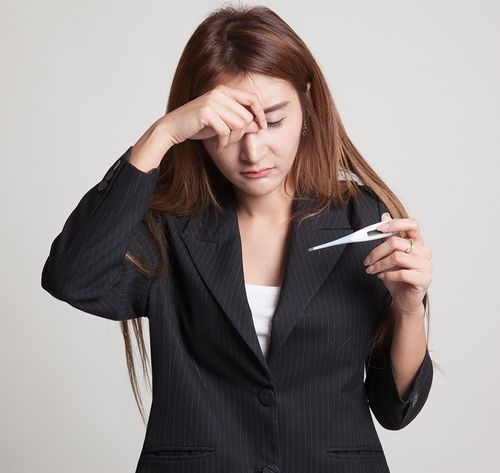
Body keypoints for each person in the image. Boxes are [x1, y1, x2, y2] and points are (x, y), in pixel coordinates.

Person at [41, 4, 434, 473]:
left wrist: (410, 310)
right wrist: (160, 135)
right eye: (227, 128)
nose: (253, 151)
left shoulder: (363, 219)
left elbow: (394, 410)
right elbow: (72, 278)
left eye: (273, 120)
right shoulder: (168, 228)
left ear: (307, 104)